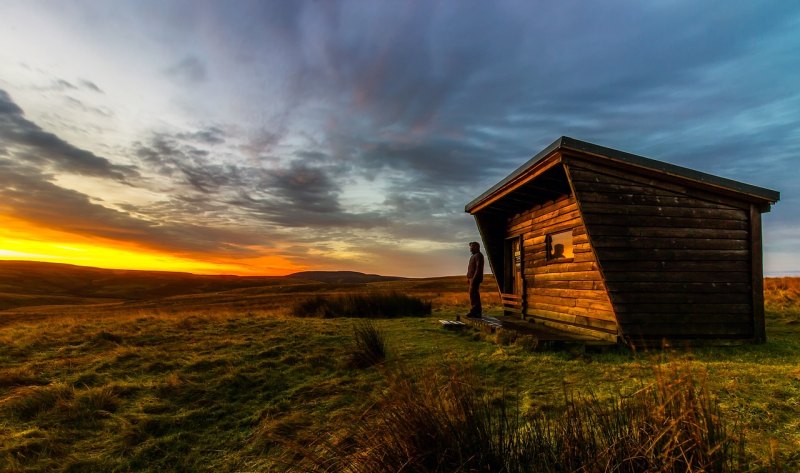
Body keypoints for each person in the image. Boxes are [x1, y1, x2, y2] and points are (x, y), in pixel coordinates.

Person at [466, 241, 484, 318]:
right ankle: (475, 311)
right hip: (471, 278)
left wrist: (474, 279)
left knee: (474, 294)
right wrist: (468, 277)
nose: (470, 248)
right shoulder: (474, 256)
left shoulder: (478, 256)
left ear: (476, 247)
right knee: (472, 294)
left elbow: (478, 268)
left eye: (472, 247)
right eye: (470, 247)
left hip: (475, 279)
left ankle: (476, 311)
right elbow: (472, 268)